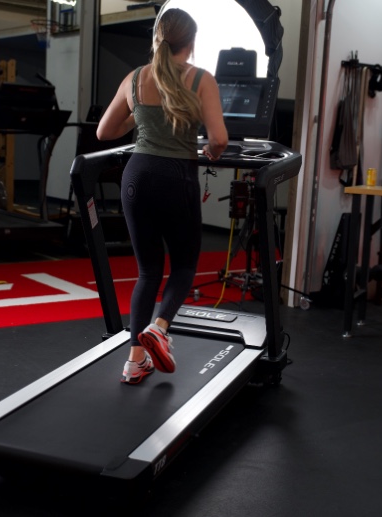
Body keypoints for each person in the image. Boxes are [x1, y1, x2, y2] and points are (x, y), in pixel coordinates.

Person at [96, 8, 228, 384]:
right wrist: (213, 153)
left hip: (136, 176)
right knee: (184, 266)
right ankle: (160, 326)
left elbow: (105, 132)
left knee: (147, 272)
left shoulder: (135, 77)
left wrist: (141, 115)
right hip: (176, 177)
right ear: (191, 42)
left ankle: (135, 360)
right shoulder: (201, 79)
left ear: (158, 38)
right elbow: (218, 139)